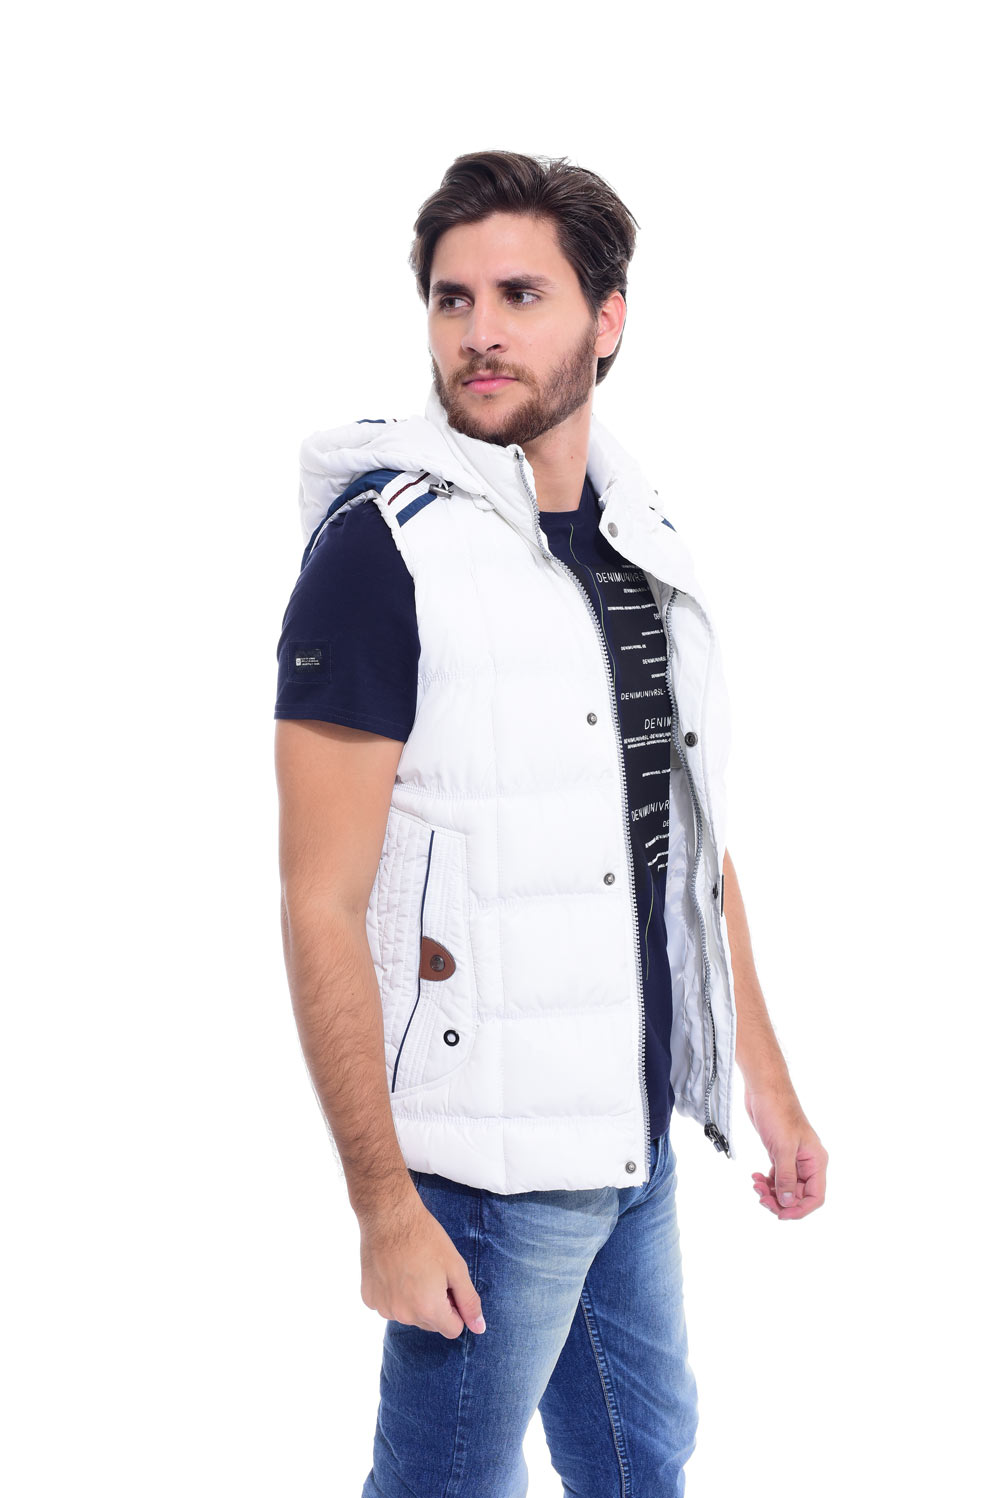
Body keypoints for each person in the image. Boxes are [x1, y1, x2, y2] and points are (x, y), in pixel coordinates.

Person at [273, 149, 828, 1498]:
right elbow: (318, 900)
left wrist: (764, 1083)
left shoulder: (643, 542)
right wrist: (383, 1206)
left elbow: (681, 840)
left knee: (645, 1469)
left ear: (608, 317)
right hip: (482, 1178)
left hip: (631, 1144)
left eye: (520, 295)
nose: (480, 331)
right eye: (452, 298)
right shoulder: (381, 552)